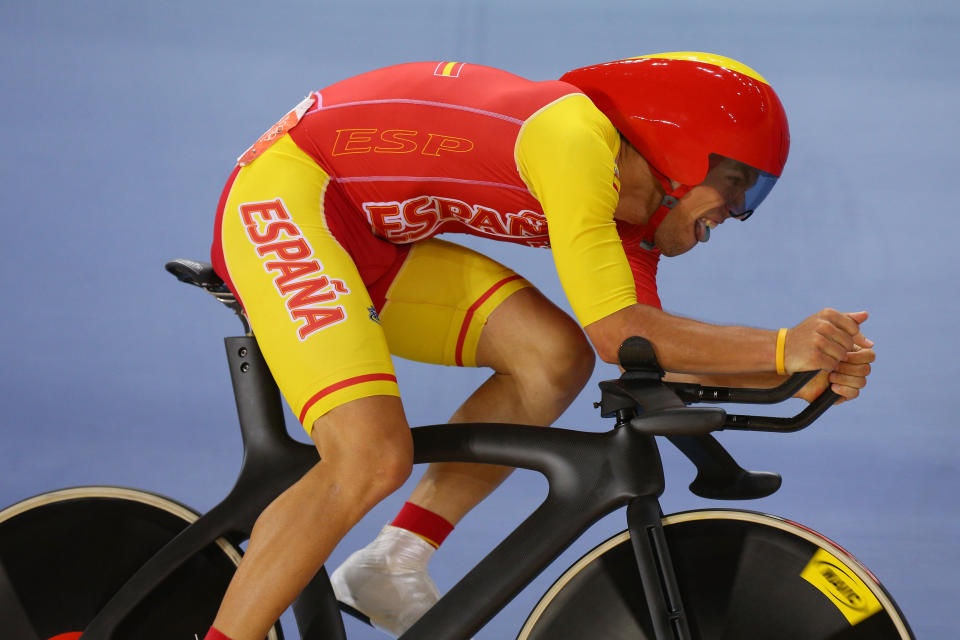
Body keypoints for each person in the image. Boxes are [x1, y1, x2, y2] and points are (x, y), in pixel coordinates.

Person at [203, 52, 875, 640]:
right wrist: (785, 346)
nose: (738, 211)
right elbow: (621, 333)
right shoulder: (575, 140)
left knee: (552, 358)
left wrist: (802, 376)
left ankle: (394, 559)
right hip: (291, 192)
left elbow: (648, 353)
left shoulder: (630, 218)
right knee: (371, 457)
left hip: (369, 235)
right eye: (736, 183)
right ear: (680, 150)